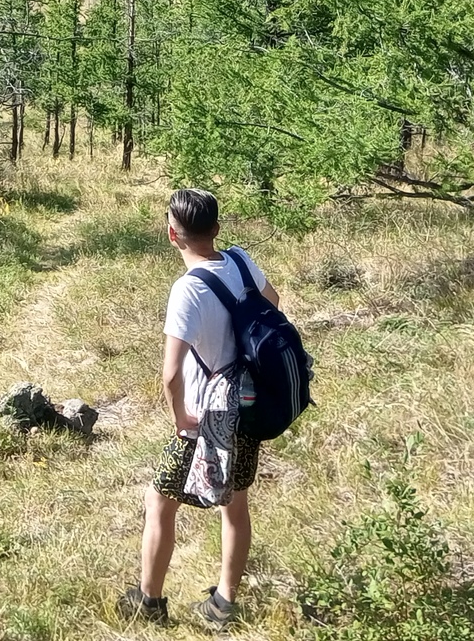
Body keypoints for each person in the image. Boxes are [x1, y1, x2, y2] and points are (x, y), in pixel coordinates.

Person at [118, 188, 280, 629]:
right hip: (248, 404)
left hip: (206, 418)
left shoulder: (187, 290)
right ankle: (224, 605)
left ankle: (148, 603)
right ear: (218, 229)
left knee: (159, 501)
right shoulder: (242, 261)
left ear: (173, 234)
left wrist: (181, 419)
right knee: (236, 503)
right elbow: (274, 305)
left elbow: (171, 374)